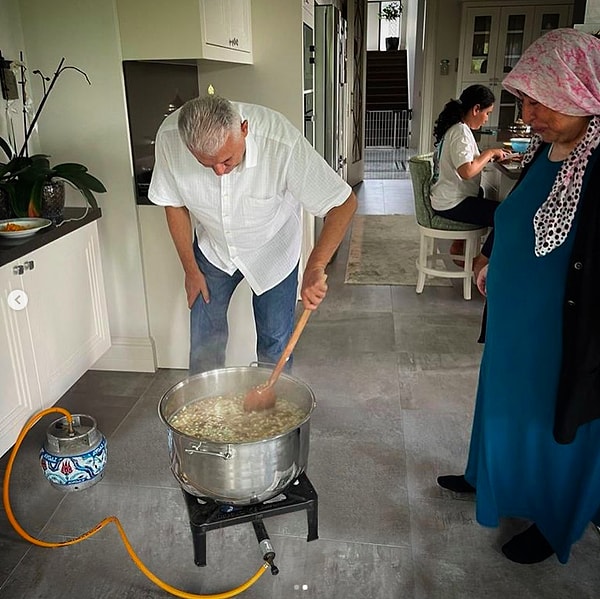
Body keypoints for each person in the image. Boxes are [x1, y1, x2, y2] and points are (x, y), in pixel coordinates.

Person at [437, 28, 600, 565]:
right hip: (514, 323)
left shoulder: (597, 163)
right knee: (503, 403)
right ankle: (490, 477)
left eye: (543, 102)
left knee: (552, 422)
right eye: (526, 101)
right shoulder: (551, 152)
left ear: (585, 94)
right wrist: (488, 255)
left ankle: (555, 521)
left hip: (561, 334)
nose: (529, 114)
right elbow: (515, 218)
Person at [148, 95, 357, 379]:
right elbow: (173, 203)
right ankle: (206, 414)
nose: (220, 172)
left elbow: (342, 204)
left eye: (226, 160)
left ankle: (273, 408)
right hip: (214, 249)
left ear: (244, 129)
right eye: (208, 165)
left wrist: (315, 266)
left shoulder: (281, 142)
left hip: (273, 249)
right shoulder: (170, 137)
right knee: (203, 342)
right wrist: (190, 269)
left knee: (274, 341)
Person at [430, 84, 510, 260]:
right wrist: (489, 153)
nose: (487, 119)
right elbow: (466, 171)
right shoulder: (460, 132)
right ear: (476, 109)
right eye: (487, 113)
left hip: (445, 197)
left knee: (480, 193)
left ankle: (459, 245)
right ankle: (481, 261)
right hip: (451, 202)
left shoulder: (457, 128)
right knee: (505, 216)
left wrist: (487, 157)